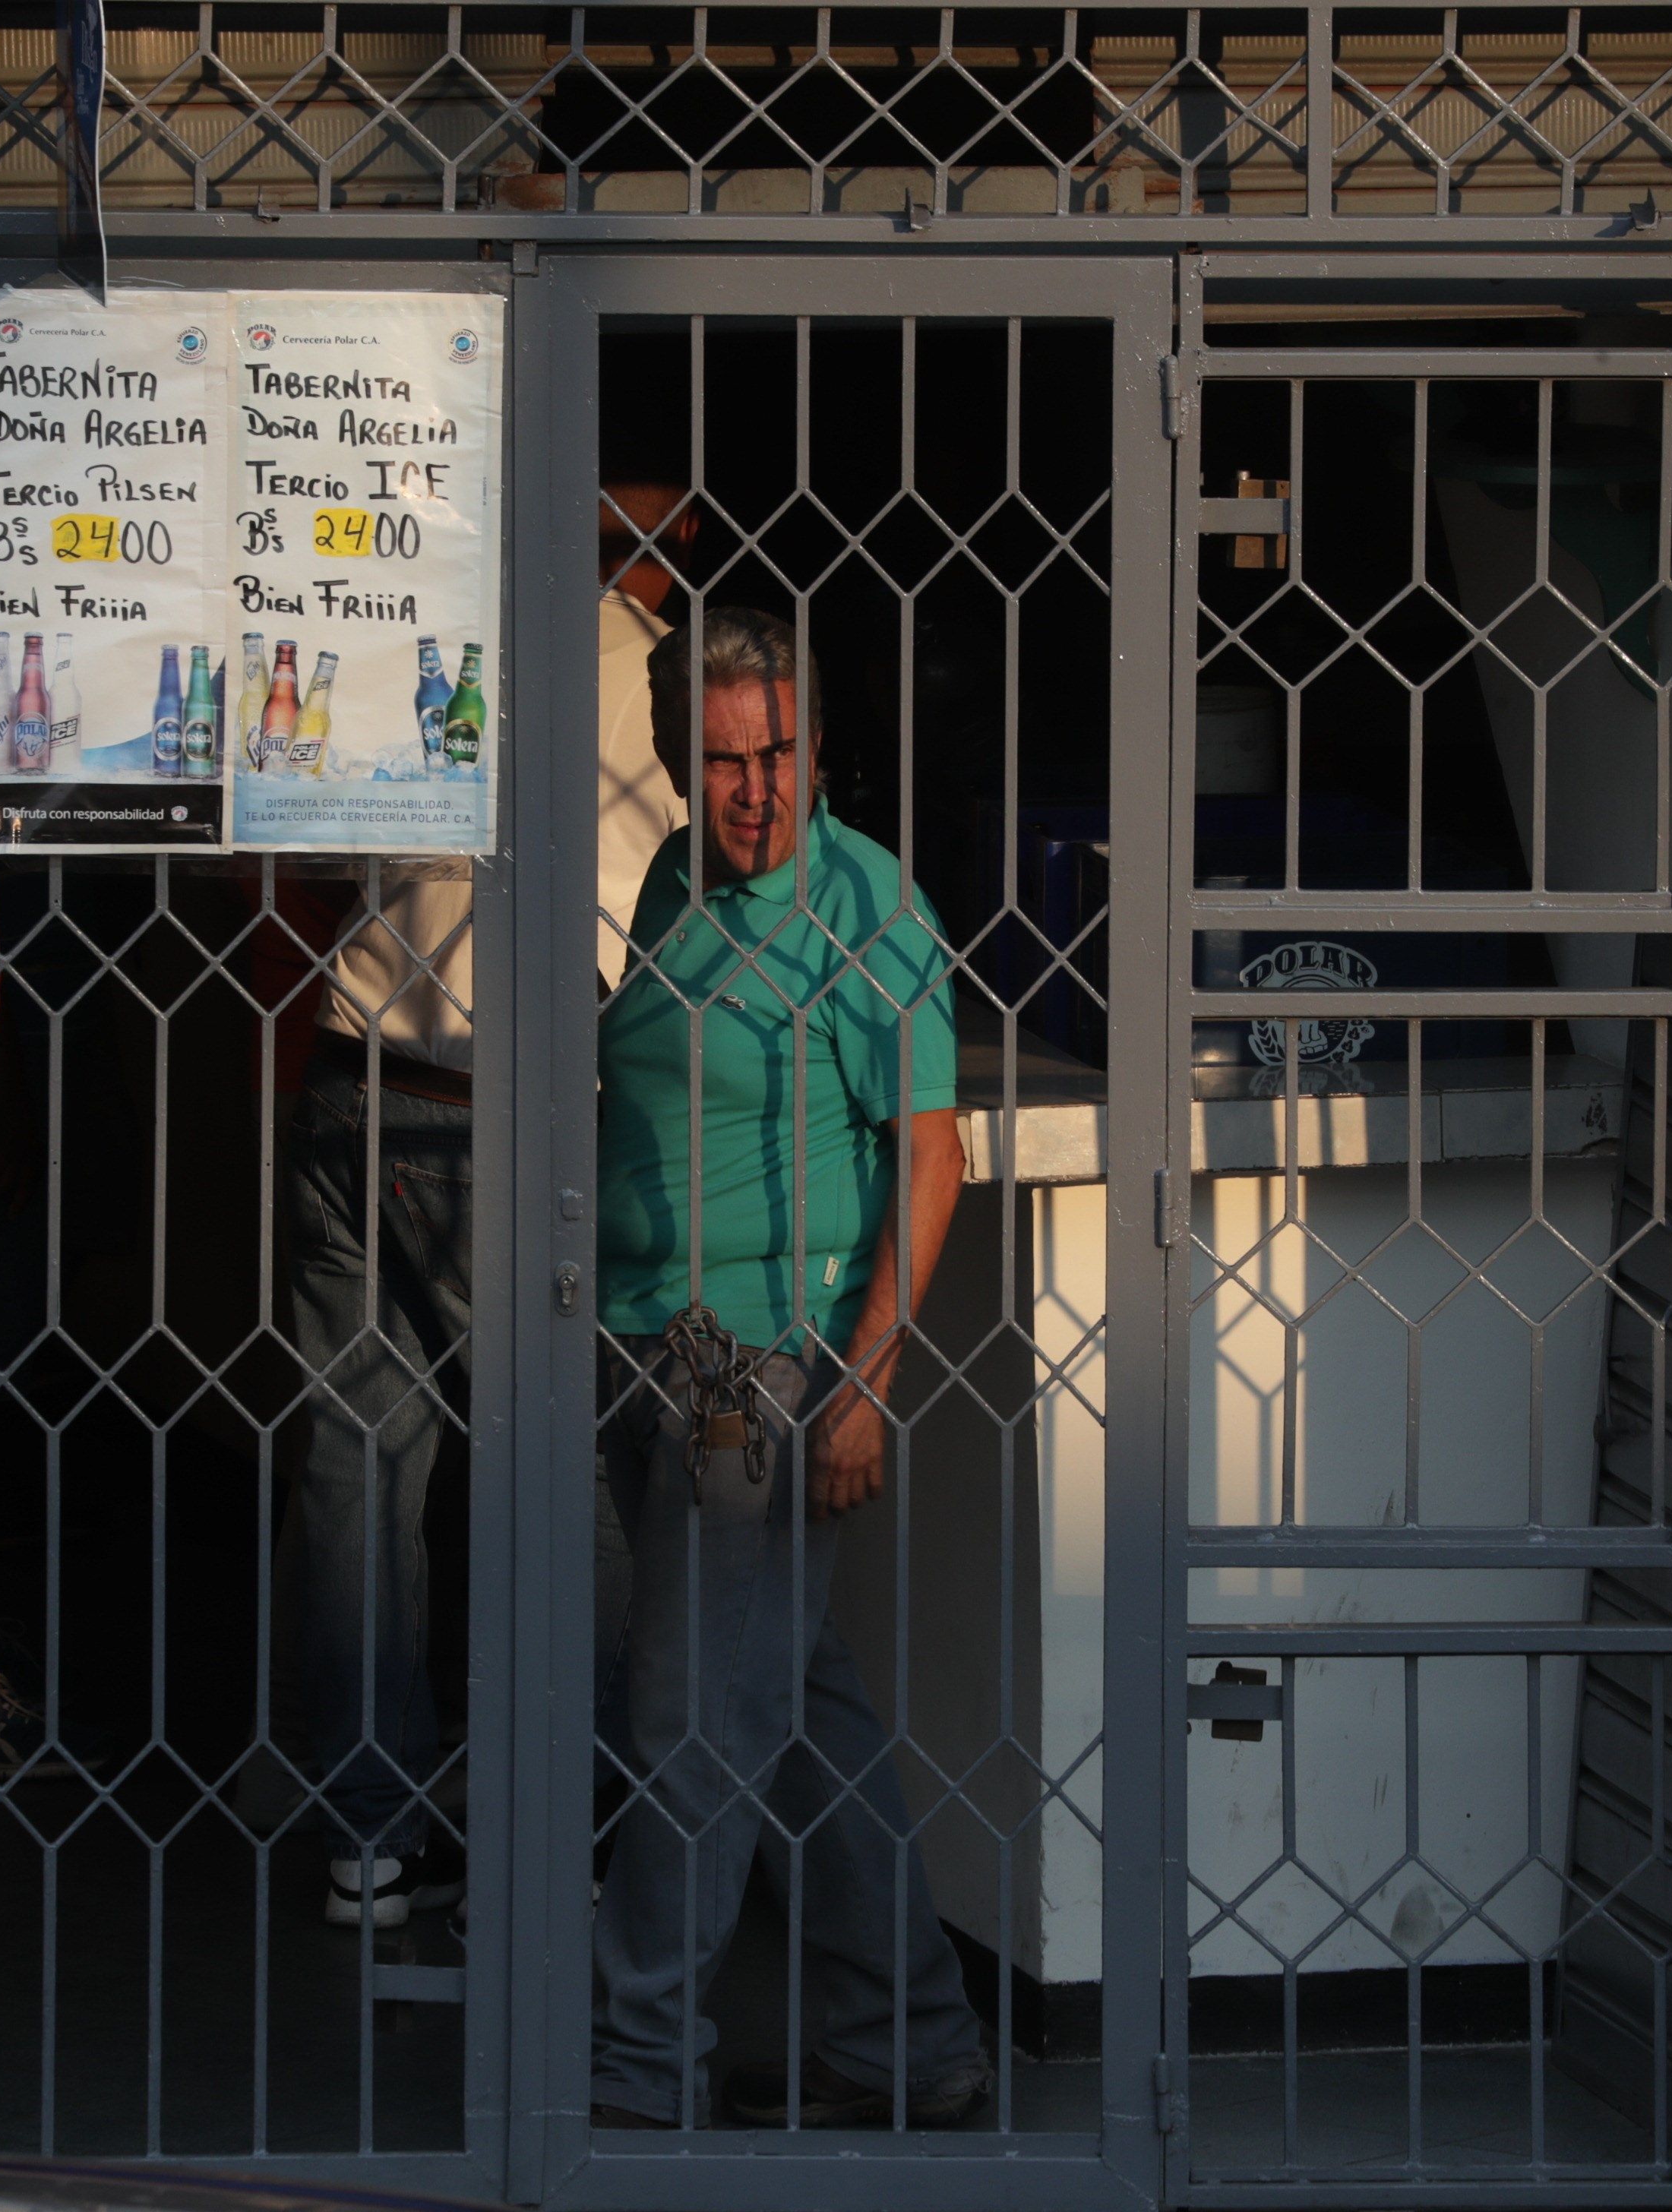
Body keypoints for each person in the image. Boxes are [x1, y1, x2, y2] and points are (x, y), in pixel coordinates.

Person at [586, 606, 993, 2130]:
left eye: (779, 754)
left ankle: (633, 2075)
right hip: (664, 1336)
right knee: (798, 1723)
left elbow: (933, 1154)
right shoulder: (676, 874)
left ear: (823, 747)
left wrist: (865, 1379)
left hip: (765, 1360)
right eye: (722, 759)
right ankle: (917, 2047)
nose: (754, 791)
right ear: (680, 760)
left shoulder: (867, 906)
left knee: (695, 1724)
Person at [281, 484, 698, 1927]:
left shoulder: (418, 615)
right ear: (667, 522)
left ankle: (368, 1841)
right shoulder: (644, 664)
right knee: (562, 1468)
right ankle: (570, 1835)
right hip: (489, 1108)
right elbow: (685, 888)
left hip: (349, 1076)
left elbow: (314, 841)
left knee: (357, 1462)